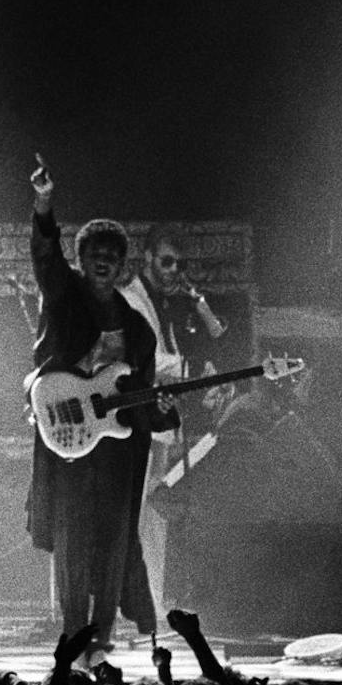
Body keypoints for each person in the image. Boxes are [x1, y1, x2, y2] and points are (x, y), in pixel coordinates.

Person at [24, 159, 170, 668]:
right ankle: (73, 634)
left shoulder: (140, 330)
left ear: (123, 264)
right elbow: (45, 256)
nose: (103, 259)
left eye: (112, 253)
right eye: (95, 252)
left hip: (118, 450)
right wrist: (44, 204)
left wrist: (163, 414)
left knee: (113, 542)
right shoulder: (64, 295)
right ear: (82, 259)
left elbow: (144, 398)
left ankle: (101, 642)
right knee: (72, 538)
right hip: (69, 440)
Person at [115, 224, 226, 618]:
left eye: (179, 263)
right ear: (147, 259)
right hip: (134, 423)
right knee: (137, 515)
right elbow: (137, 358)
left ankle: (153, 606)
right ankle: (134, 606)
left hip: (159, 422)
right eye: (166, 261)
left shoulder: (167, 304)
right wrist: (189, 367)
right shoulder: (129, 301)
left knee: (156, 515)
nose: (174, 270)